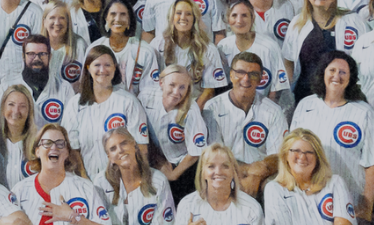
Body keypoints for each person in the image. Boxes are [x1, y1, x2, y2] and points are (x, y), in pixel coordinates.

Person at [290, 52, 374, 225]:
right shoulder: (305, 105)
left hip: (349, 203)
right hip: (308, 199)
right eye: (332, 70)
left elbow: (373, 163)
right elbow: (291, 153)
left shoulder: (363, 112)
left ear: (351, 78)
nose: (336, 76)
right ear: (322, 73)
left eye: (343, 72)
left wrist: (365, 207)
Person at [205, 52, 289, 193]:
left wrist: (257, 176)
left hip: (261, 177)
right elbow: (214, 155)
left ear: (261, 79)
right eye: (240, 72)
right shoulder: (212, 108)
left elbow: (278, 155)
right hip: (223, 173)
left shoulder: (273, 110)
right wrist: (249, 171)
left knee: (273, 187)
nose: (246, 79)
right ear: (231, 75)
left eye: (253, 74)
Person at [67, 45, 150, 179]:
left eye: (107, 65)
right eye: (97, 65)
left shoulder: (128, 102)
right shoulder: (75, 104)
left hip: (123, 181)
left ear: (115, 68)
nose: (102, 70)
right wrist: (85, 180)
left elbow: (141, 148)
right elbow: (72, 149)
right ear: (88, 68)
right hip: (87, 182)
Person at [286, 0, 367, 102]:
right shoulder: (298, 23)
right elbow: (288, 59)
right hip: (306, 92)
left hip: (342, 92)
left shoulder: (352, 20)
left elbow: (364, 55)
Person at [142, 66, 208, 195]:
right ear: (161, 83)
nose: (176, 92)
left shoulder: (191, 110)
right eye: (172, 85)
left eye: (182, 87)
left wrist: (173, 175)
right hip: (155, 158)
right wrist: (157, 160)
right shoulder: (145, 97)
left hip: (184, 165)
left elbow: (195, 152)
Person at [152, 0, 227, 107]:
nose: (183, 17)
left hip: (194, 105)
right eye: (178, 13)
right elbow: (151, 83)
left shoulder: (208, 49)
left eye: (188, 14)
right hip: (163, 104)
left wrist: (193, 112)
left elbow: (209, 90)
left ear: (194, 19)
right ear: (171, 17)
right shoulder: (157, 44)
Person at [217, 0, 293, 106]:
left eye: (244, 15)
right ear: (228, 19)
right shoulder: (222, 46)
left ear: (252, 19)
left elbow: (278, 88)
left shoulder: (269, 46)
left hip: (267, 106)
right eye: (234, 15)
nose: (239, 20)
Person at [91, 0, 159, 100]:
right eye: (113, 14)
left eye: (123, 15)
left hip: (134, 109)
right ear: (106, 18)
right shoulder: (94, 48)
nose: (118, 19)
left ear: (129, 20)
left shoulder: (145, 52)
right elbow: (87, 86)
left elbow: (150, 92)